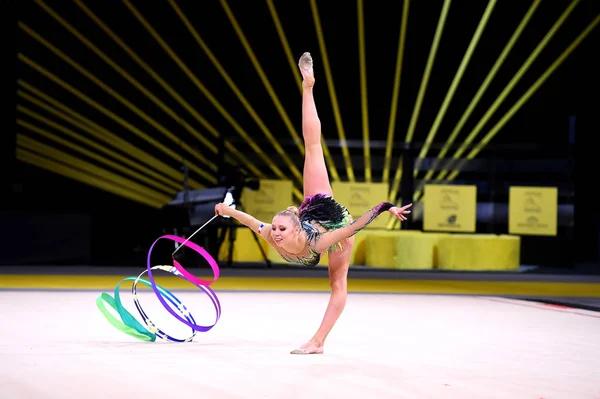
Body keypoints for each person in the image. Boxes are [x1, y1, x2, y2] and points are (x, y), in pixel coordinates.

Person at [214, 52, 412, 354]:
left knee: (338, 283)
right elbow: (250, 220)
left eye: (280, 229)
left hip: (336, 223)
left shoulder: (320, 242)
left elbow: (356, 225)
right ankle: (308, 85)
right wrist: (227, 210)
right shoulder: (273, 233)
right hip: (313, 208)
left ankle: (317, 341)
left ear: (295, 231)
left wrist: (387, 207)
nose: (275, 233)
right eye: (275, 228)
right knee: (311, 147)